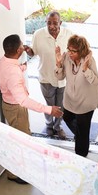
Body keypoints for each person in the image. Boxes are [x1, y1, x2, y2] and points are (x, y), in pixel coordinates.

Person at [0, 34, 63, 184]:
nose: (23, 46)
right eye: (21, 45)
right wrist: (48, 109)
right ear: (18, 49)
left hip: (11, 105)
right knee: (21, 141)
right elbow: (23, 100)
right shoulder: (13, 73)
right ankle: (14, 174)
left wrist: (24, 66)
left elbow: (13, 70)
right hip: (16, 108)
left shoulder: (5, 61)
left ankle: (19, 169)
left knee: (20, 139)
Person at [24, 11, 73, 139]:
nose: (51, 26)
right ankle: (49, 125)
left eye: (55, 23)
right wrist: (28, 51)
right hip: (46, 77)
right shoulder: (38, 34)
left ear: (60, 23)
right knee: (49, 104)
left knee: (61, 105)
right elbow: (33, 53)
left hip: (63, 79)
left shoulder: (69, 34)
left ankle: (58, 127)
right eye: (49, 23)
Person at [55, 34, 98, 157]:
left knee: (82, 131)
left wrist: (85, 69)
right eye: (69, 49)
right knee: (67, 118)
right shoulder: (66, 57)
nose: (70, 53)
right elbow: (60, 77)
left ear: (81, 51)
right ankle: (82, 137)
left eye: (73, 51)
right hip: (70, 100)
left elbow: (96, 81)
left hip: (86, 102)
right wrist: (58, 64)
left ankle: (81, 156)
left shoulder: (89, 61)